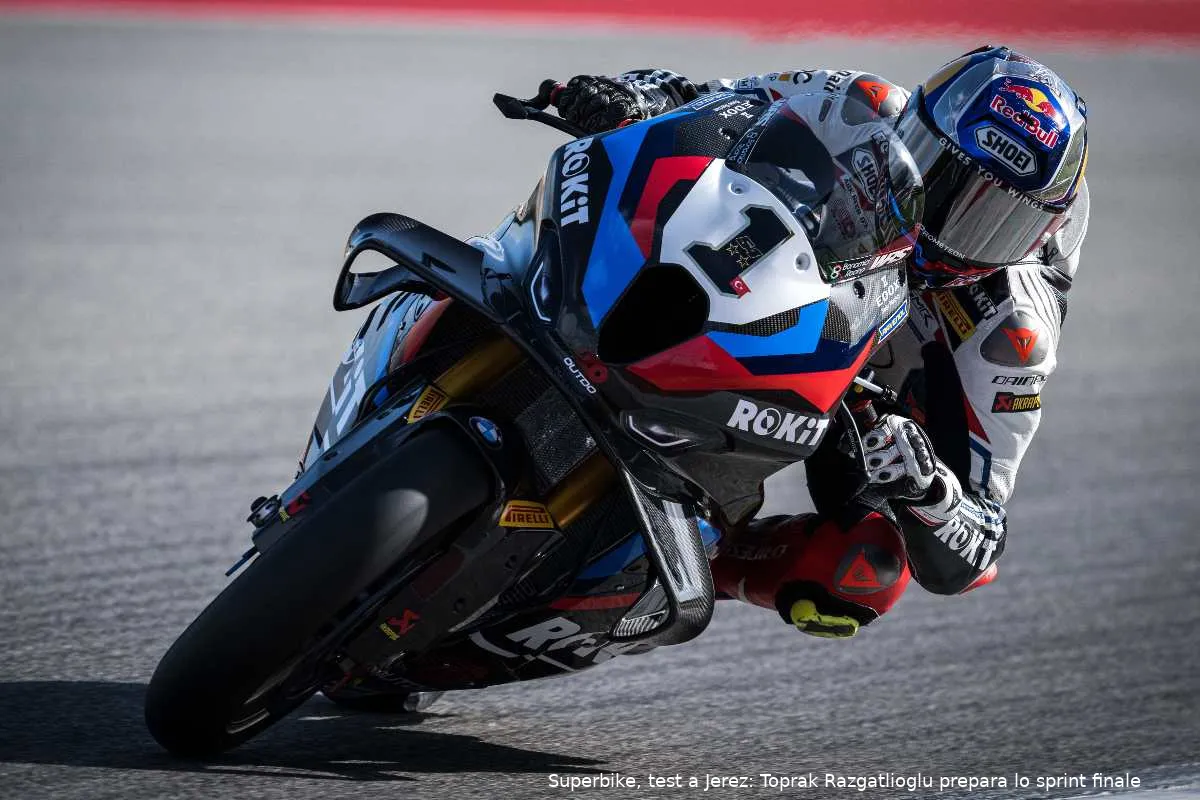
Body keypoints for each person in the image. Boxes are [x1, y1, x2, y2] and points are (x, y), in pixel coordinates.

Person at [473, 46, 1089, 639]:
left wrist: (927, 488)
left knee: (861, 570)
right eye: (941, 175)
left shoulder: (1011, 332)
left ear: (1038, 235)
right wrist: (627, 94)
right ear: (913, 124)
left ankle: (693, 561)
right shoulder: (856, 104)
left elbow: (977, 546)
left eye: (991, 219)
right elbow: (709, 101)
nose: (947, 226)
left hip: (854, 392)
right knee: (564, 239)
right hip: (752, 276)